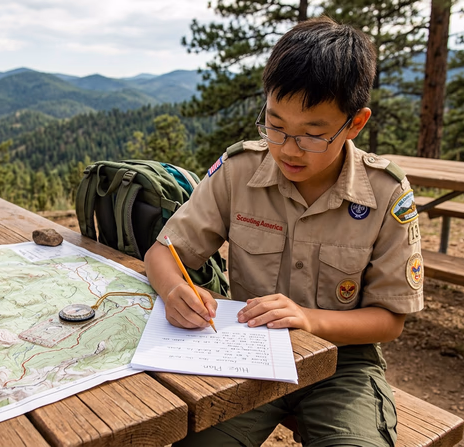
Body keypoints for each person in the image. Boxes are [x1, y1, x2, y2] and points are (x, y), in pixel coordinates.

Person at [143, 16, 424, 447]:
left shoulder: (385, 192)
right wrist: (172, 290)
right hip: (246, 352)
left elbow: (390, 320)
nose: (288, 149)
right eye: (275, 126)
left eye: (313, 134)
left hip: (342, 363)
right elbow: (163, 253)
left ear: (355, 123)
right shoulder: (240, 170)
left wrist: (309, 319)